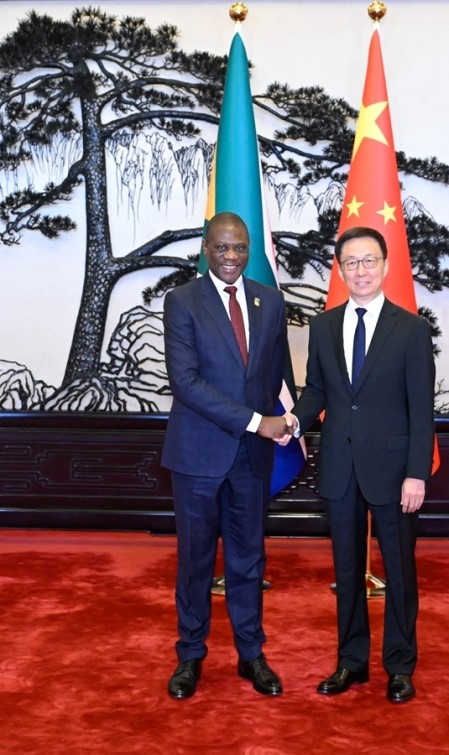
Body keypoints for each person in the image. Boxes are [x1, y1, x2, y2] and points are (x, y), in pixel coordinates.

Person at [283, 226, 435, 703]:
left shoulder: (411, 329)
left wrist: (416, 473)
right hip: (340, 466)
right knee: (346, 571)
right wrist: (292, 421)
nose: (361, 270)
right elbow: (317, 392)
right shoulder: (324, 326)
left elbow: (421, 410)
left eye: (369, 260)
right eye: (351, 262)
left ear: (385, 266)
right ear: (340, 269)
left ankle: (400, 665)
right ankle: (351, 662)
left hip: (395, 471)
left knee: (399, 572)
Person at [161, 211, 292, 700]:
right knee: (195, 561)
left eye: (239, 248)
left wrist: (287, 421)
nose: (231, 256)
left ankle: (251, 654)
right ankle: (190, 655)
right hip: (198, 456)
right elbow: (186, 383)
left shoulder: (270, 301)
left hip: (251, 460)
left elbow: (276, 373)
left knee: (248, 560)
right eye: (222, 247)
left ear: (249, 249)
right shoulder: (182, 301)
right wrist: (258, 422)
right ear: (205, 248)